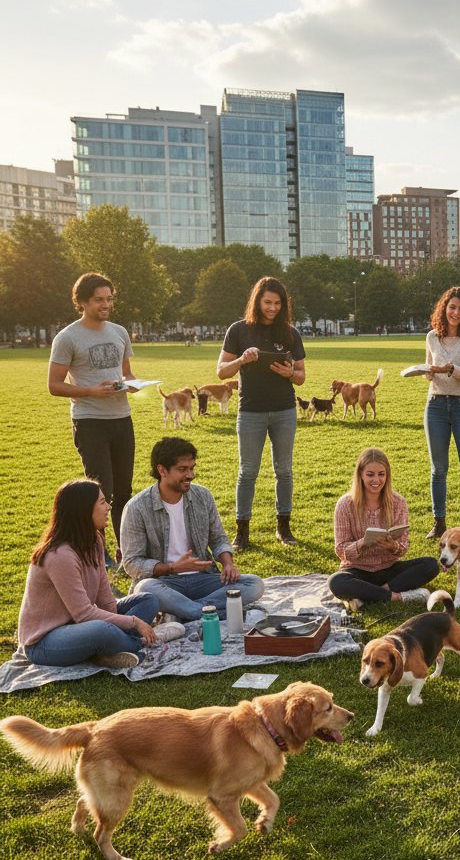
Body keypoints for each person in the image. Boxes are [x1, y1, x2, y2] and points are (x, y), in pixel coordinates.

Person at [48, 273, 144, 560]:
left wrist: (133, 384)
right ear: (82, 302)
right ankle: (97, 554)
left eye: (109, 299)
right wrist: (91, 390)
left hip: (122, 419)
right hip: (90, 421)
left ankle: (126, 551)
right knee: (101, 493)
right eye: (99, 300)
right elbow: (54, 385)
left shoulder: (119, 332)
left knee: (124, 490)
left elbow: (126, 373)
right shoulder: (67, 337)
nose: (106, 305)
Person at [18, 479, 160, 669]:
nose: (108, 507)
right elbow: (84, 614)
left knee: (148, 600)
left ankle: (108, 648)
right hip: (45, 642)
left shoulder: (94, 541)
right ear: (84, 510)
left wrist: (121, 623)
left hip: (80, 626)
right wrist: (134, 622)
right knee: (101, 630)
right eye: (102, 502)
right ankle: (140, 643)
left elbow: (105, 600)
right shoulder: (60, 556)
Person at [120, 437, 264, 621]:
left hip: (203, 578)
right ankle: (207, 611)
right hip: (164, 582)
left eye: (192, 468)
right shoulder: (137, 507)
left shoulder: (202, 496)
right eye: (182, 469)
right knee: (145, 588)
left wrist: (228, 563)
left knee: (254, 583)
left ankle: (187, 610)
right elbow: (132, 563)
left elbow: (218, 538)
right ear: (162, 470)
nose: (190, 475)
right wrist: (172, 568)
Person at [216, 276, 306, 549]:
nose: (272, 308)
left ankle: (284, 528)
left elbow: (301, 376)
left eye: (278, 303)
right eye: (267, 302)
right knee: (247, 472)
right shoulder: (238, 330)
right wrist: (242, 359)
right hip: (251, 411)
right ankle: (242, 532)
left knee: (284, 470)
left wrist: (290, 373)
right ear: (257, 301)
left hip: (284, 410)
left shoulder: (290, 333)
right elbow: (221, 372)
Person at [329, 447, 440, 606]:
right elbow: (341, 551)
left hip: (390, 569)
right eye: (370, 474)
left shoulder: (398, 502)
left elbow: (403, 547)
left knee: (430, 565)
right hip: (357, 570)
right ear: (360, 474)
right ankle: (397, 596)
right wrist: (363, 543)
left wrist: (392, 546)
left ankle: (369, 594)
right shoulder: (345, 504)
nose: (376, 480)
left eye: (381, 474)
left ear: (387, 475)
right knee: (336, 582)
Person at [419, 286, 460, 539]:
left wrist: (448, 368)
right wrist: (426, 372)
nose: (455, 313)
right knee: (438, 469)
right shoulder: (432, 337)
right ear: (444, 308)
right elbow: (428, 369)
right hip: (435, 405)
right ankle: (439, 523)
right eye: (452, 307)